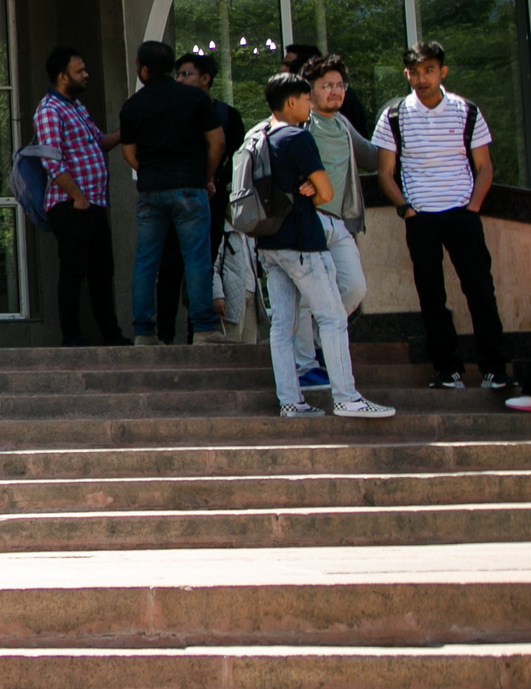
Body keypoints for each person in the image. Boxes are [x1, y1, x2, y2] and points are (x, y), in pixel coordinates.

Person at [251, 73, 396, 422]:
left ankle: (291, 401)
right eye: (305, 99)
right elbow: (327, 193)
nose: (309, 106)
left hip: (269, 242)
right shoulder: (297, 138)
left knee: (282, 326)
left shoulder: (256, 137)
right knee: (332, 318)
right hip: (303, 241)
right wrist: (314, 189)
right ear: (291, 102)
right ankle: (347, 397)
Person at [373, 40, 512, 392]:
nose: (422, 79)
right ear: (406, 74)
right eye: (415, 72)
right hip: (421, 217)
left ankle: (495, 370)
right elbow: (385, 172)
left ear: (442, 71)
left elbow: (483, 166)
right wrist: (407, 209)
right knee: (432, 294)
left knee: (480, 290)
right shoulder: (394, 115)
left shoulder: (466, 111)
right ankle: (447, 371)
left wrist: (473, 207)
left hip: (462, 211)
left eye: (429, 71)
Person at [117, 39, 227, 349]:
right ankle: (204, 329)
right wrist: (203, 177)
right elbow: (217, 142)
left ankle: (144, 332)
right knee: (196, 258)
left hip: (152, 190)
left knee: (146, 261)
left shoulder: (133, 105)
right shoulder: (194, 99)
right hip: (190, 187)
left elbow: (129, 153)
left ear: (144, 69)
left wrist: (151, 171)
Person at [291, 54, 374, 391]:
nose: (335, 91)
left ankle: (320, 345)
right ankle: (305, 366)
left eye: (339, 85)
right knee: (308, 298)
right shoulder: (301, 122)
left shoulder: (341, 123)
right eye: (327, 85)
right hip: (307, 221)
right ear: (310, 91)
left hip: (339, 223)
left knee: (354, 287)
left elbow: (370, 154)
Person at [32, 46, 123, 347]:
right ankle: (71, 337)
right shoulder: (49, 110)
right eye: (79, 70)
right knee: (73, 271)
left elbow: (98, 142)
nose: (86, 75)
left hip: (94, 202)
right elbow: (51, 160)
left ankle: (110, 335)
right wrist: (77, 196)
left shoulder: (76, 106)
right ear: (62, 76)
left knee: (101, 271)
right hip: (71, 205)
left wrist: (127, 131)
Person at [158, 53, 248, 342]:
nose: (180, 80)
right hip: (177, 197)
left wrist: (213, 180)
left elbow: (235, 158)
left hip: (212, 200)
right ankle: (164, 334)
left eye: (186, 74)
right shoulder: (169, 113)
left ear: (206, 78)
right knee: (170, 266)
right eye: (178, 75)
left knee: (203, 266)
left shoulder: (227, 115)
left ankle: (198, 333)